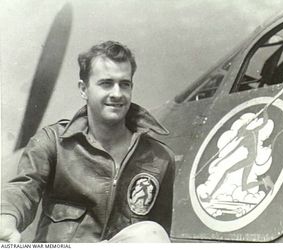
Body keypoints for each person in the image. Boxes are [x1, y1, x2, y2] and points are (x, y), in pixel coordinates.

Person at [0, 41, 175, 243]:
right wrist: (6, 219)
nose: (117, 94)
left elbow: (161, 234)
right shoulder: (53, 142)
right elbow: (23, 189)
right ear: (84, 89)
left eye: (124, 84)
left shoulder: (160, 159)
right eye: (106, 83)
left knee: (150, 232)